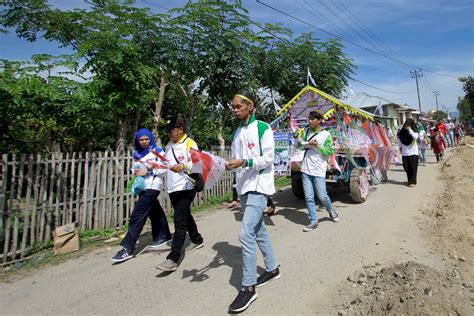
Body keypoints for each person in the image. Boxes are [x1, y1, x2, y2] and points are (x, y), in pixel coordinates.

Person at [226, 89, 280, 313]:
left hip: (259, 186)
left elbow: (268, 159)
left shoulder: (263, 128)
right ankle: (273, 268)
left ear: (250, 106)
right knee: (258, 231)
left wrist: (244, 162)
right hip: (245, 188)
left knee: (245, 233)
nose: (235, 109)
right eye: (233, 106)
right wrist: (235, 193)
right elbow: (236, 164)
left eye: (238, 106)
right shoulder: (236, 132)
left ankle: (248, 288)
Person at [111, 128, 171, 263]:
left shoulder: (157, 150)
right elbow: (135, 167)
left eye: (146, 139)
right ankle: (164, 235)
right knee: (155, 212)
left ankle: (128, 248)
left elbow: (165, 166)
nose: (144, 142)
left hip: (153, 186)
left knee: (137, 216)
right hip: (142, 187)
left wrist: (148, 169)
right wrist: (136, 170)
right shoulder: (137, 153)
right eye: (141, 140)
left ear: (151, 138)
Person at [155, 117, 204, 272]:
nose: (169, 133)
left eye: (171, 130)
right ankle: (196, 238)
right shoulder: (169, 146)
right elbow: (166, 165)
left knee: (179, 220)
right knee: (184, 215)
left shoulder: (189, 143)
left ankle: (173, 258)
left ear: (180, 129)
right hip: (173, 188)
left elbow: (198, 163)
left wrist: (183, 165)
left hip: (186, 187)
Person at [298, 110, 339, 232]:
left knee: (322, 195)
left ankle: (331, 210)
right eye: (309, 119)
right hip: (306, 168)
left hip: (319, 169)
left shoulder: (326, 134)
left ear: (319, 120)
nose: (309, 121)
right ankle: (313, 221)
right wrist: (301, 142)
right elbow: (299, 147)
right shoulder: (306, 131)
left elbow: (330, 151)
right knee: (309, 197)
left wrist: (317, 146)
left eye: (312, 119)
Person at [397, 118, 419, 187]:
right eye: (406, 124)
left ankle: (413, 181)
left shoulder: (414, 131)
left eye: (409, 125)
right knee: (406, 168)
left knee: (413, 168)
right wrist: (398, 149)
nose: (407, 126)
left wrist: (410, 130)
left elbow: (415, 137)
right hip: (405, 153)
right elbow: (399, 142)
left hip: (413, 153)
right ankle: (409, 180)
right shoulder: (401, 133)